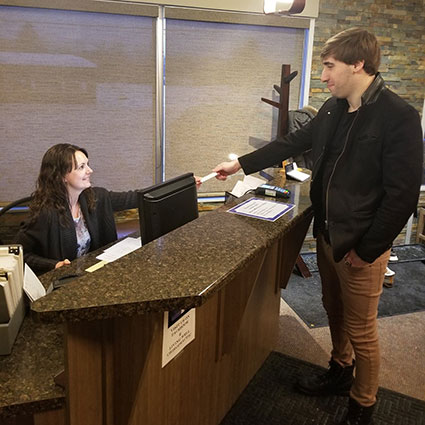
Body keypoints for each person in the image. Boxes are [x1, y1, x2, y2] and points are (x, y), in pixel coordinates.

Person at [211, 28, 423, 425]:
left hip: (361, 246)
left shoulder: (399, 116)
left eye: (329, 66)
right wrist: (240, 163)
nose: (323, 76)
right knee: (334, 310)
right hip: (327, 235)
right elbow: (291, 143)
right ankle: (340, 371)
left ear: (358, 64)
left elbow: (402, 197)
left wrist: (369, 249)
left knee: (362, 330)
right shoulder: (333, 109)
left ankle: (363, 404)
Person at [16, 143, 139, 275]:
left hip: (92, 277)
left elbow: (133, 198)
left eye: (87, 164)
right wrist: (54, 265)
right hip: (62, 284)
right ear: (62, 176)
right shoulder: (45, 213)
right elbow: (20, 254)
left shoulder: (96, 197)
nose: (90, 170)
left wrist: (163, 189)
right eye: (81, 167)